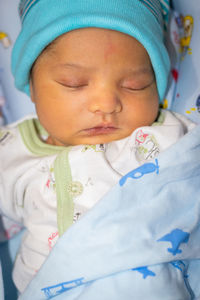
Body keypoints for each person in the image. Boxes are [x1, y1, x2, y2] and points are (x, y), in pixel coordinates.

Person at [0, 0, 199, 297]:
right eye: (74, 83)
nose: (106, 105)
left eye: (135, 85)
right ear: (32, 86)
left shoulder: (162, 137)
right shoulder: (12, 150)